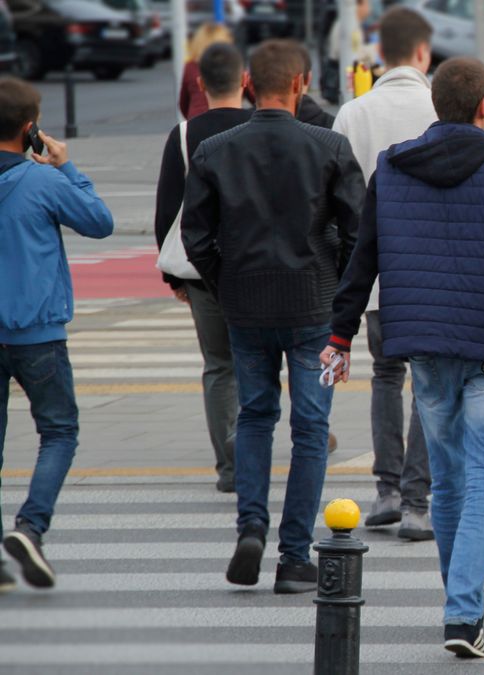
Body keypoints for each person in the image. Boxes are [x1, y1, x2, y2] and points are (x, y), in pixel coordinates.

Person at [322, 57, 484, 658]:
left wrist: (340, 334)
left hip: (421, 341)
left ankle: (461, 605)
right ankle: (463, 611)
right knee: (480, 478)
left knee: (448, 479)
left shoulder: (392, 168)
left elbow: (363, 258)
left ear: (436, 106)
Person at [182, 39, 363, 594]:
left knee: (256, 415)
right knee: (311, 428)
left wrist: (225, 282)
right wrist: (341, 300)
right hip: (317, 308)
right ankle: (294, 556)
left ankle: (251, 526)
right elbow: (358, 234)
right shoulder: (330, 145)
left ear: (249, 85)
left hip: (245, 306)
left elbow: (197, 237)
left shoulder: (215, 150)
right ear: (302, 83)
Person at [0, 77, 114, 592]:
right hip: (37, 333)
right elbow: (100, 222)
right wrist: (66, 166)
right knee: (59, 431)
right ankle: (30, 527)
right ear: (30, 130)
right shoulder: (41, 181)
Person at [331, 6, 437, 541]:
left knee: (386, 376)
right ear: (423, 52)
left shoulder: (353, 113)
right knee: (428, 385)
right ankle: (418, 502)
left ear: (381, 55)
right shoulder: (440, 108)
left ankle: (386, 492)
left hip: (371, 274)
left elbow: (337, 198)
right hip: (431, 273)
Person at [153, 43, 252, 494]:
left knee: (218, 366)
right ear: (244, 80)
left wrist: (173, 275)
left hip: (201, 272)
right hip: (256, 269)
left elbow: (167, 210)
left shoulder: (185, 135)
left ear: (199, 83)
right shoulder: (259, 126)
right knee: (257, 362)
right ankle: (254, 452)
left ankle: (228, 468)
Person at [179, 23, 235, 120]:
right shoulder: (232, 65)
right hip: (229, 118)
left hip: (196, 118)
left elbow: (183, 103)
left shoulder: (190, 67)